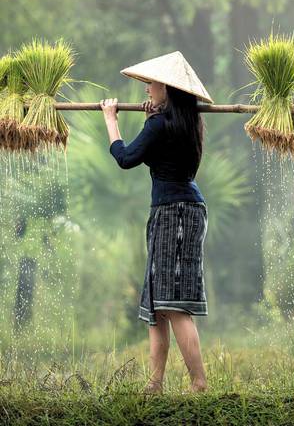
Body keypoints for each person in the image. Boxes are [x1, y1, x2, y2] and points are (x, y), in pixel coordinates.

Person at [100, 51, 213, 395]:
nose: (147, 89)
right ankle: (155, 384)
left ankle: (199, 383)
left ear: (167, 88)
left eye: (151, 83)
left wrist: (111, 118)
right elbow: (153, 148)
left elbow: (125, 157)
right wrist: (152, 120)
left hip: (176, 213)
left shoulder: (161, 125)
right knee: (157, 303)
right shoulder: (183, 124)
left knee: (172, 303)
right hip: (175, 210)